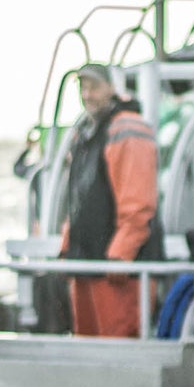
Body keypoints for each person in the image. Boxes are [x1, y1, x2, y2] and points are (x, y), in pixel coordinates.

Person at [60, 64, 158, 339]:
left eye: (94, 87)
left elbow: (138, 202)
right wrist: (68, 247)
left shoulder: (126, 129)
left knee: (118, 347)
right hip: (88, 265)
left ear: (112, 88)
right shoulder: (86, 134)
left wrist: (121, 254)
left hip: (116, 273)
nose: (87, 95)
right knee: (88, 350)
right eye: (83, 88)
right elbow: (79, 199)